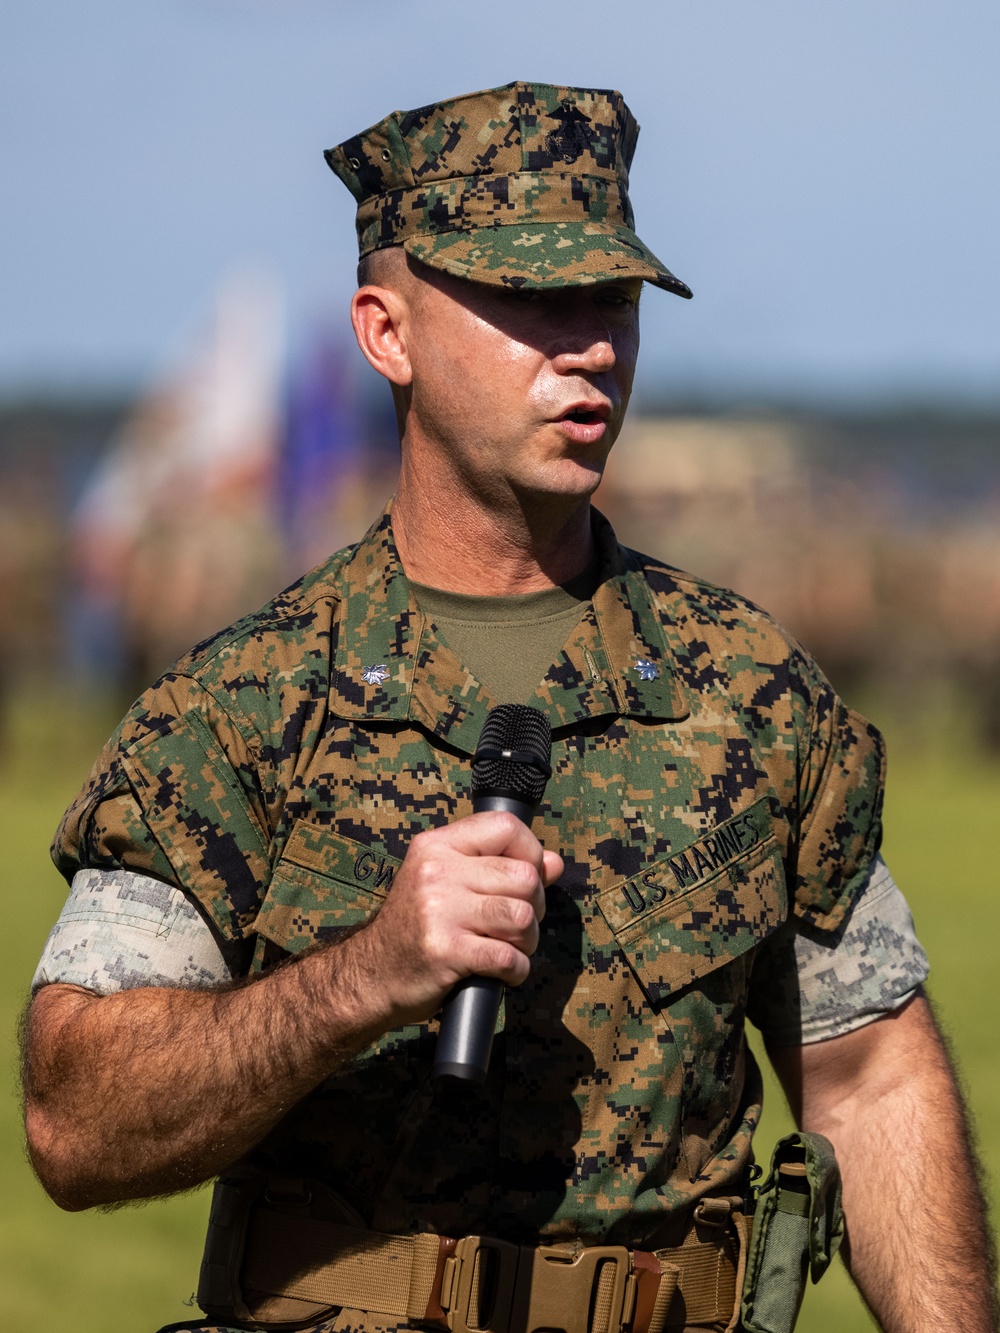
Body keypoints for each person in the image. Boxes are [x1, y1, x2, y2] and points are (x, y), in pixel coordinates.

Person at [21, 81, 997, 1333]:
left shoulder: (746, 693)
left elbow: (867, 1075)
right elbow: (77, 1122)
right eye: (530, 300)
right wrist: (363, 977)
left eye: (612, 299)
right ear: (388, 333)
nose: (587, 342)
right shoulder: (243, 707)